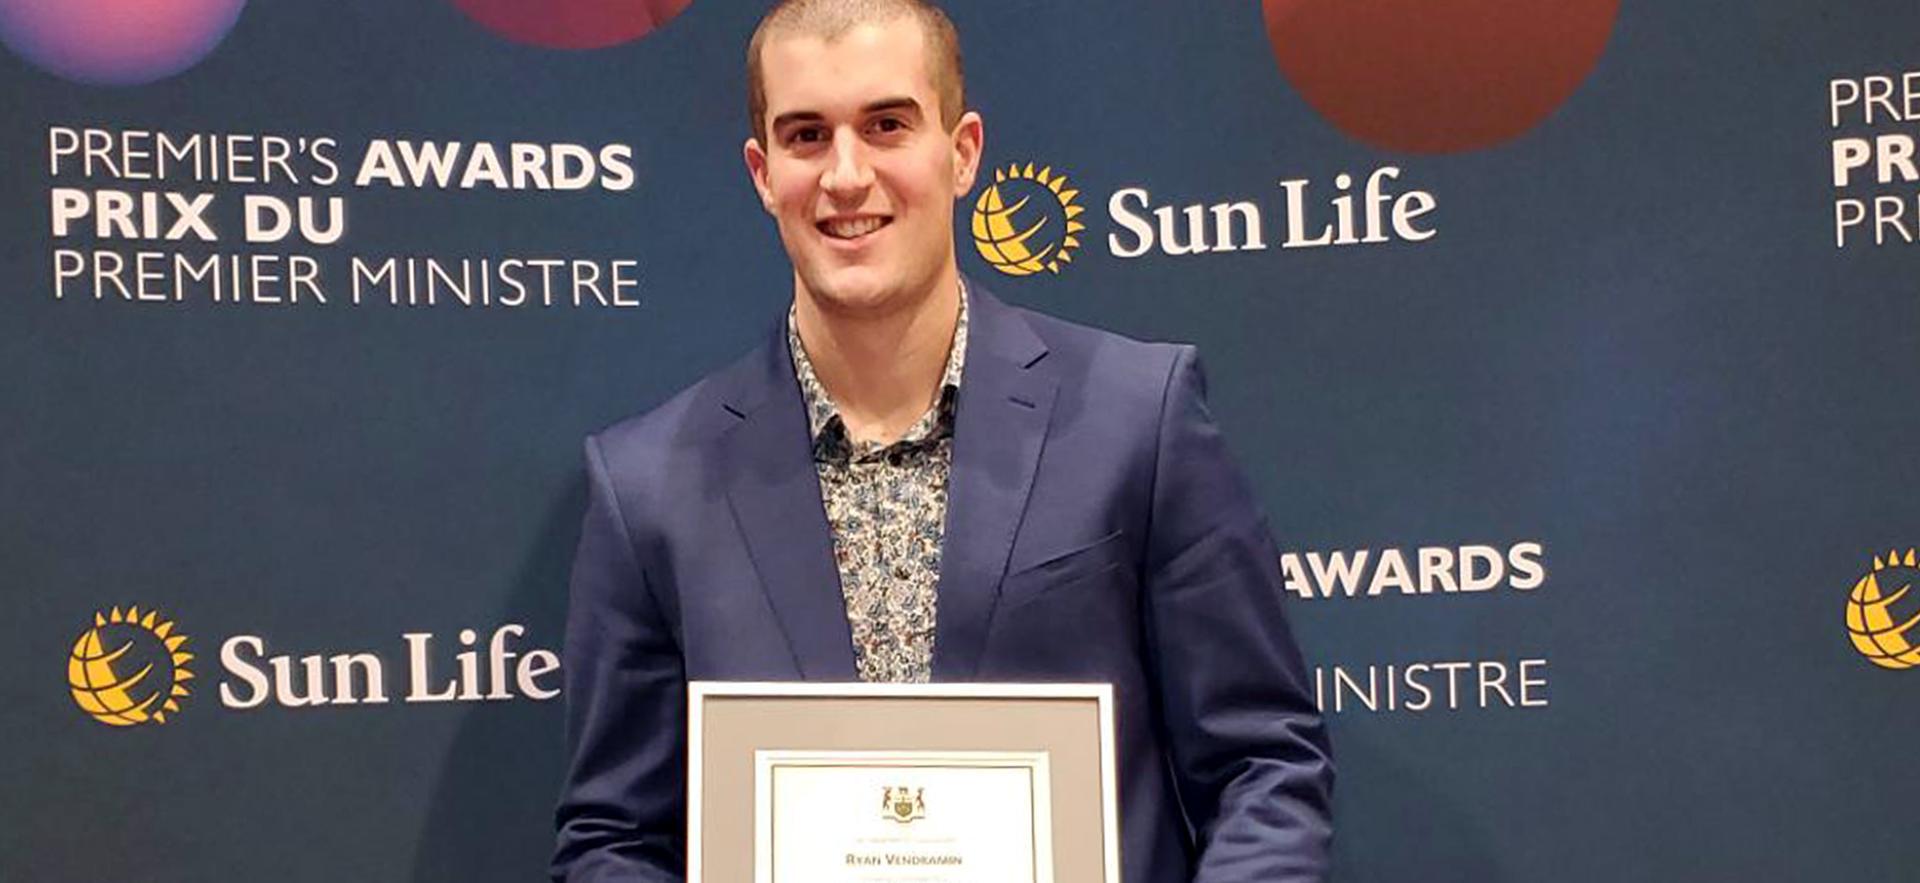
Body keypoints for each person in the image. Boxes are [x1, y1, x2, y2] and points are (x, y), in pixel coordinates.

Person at [550, 1, 1333, 880]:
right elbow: (613, 838)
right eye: (807, 136)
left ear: (960, 153)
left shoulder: (1136, 418)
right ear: (763, 173)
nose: (847, 176)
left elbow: (1263, 766)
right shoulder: (646, 486)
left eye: (887, 125)